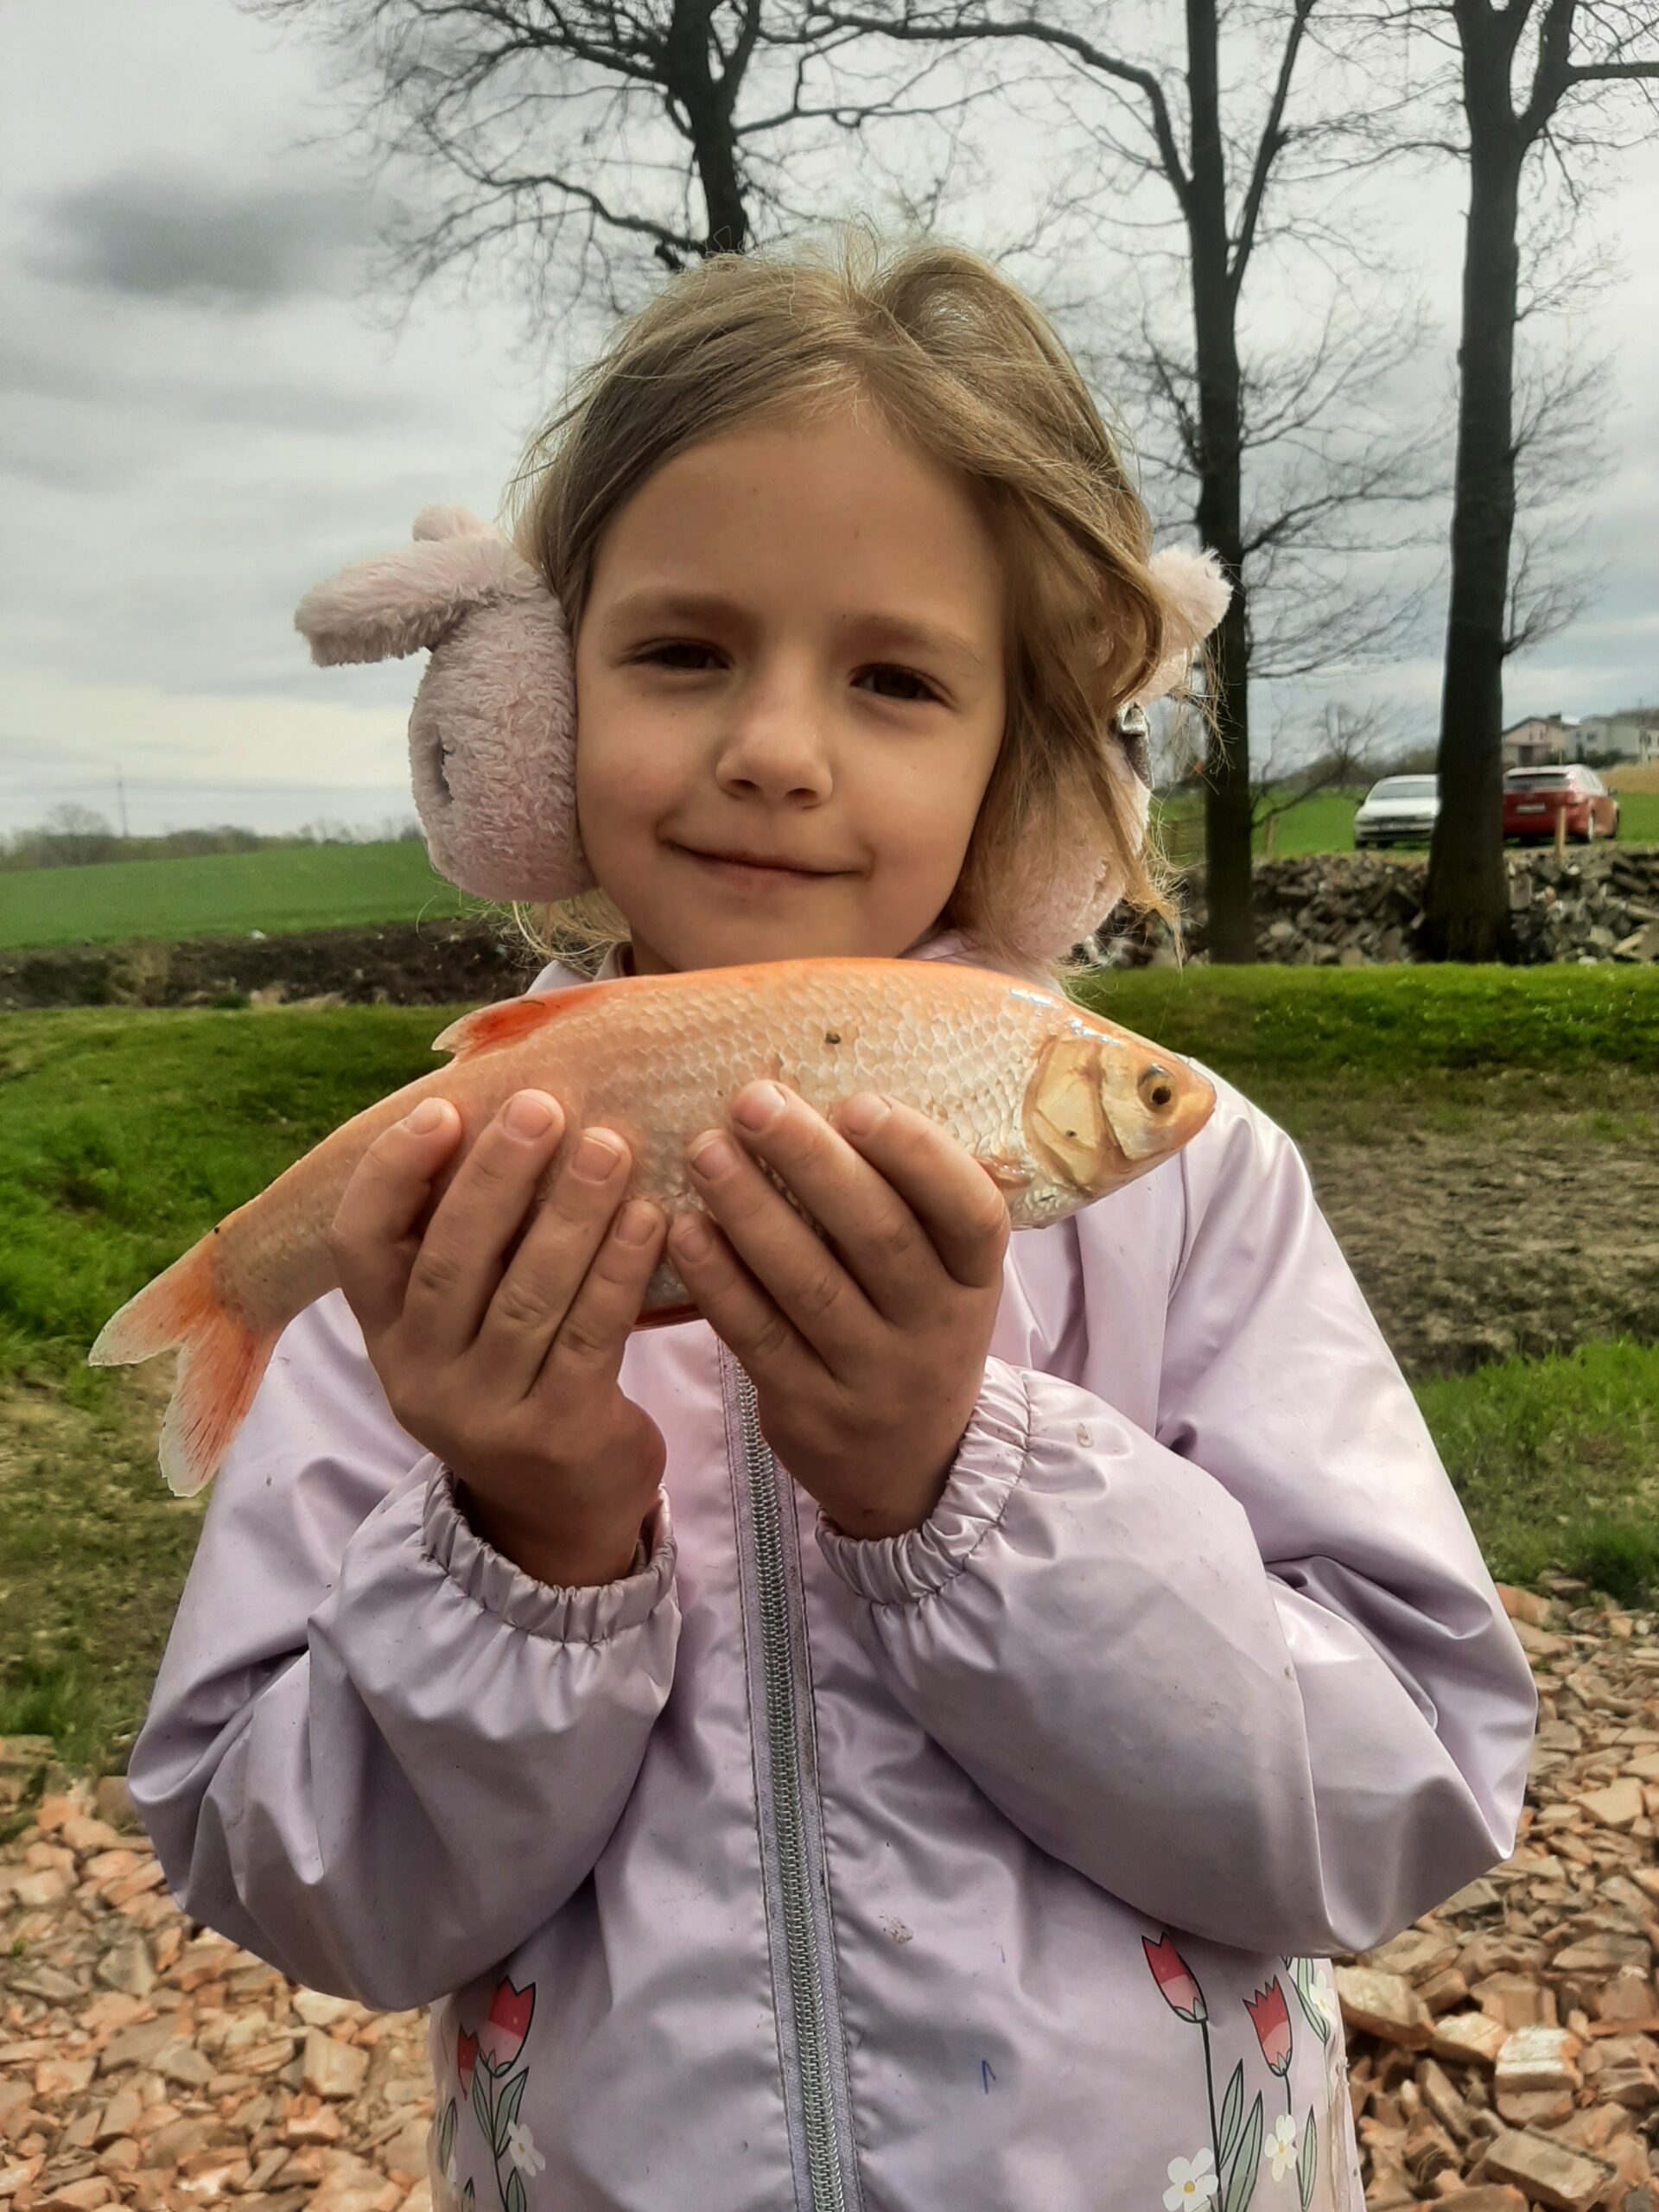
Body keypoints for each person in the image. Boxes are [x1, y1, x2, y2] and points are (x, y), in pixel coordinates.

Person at [129, 227, 1536, 2212]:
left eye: (893, 678)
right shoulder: (434, 1229)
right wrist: (519, 1537)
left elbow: (1409, 1787)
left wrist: (967, 1485)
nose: (776, 749)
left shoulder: (1199, 1184)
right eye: (682, 651)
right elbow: (290, 1880)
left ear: (1023, 759)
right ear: (535, 707)